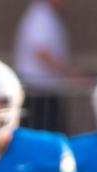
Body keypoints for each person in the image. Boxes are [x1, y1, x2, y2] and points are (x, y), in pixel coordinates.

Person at [12, 0, 81, 131]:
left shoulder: (46, 15)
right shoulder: (41, 16)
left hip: (44, 90)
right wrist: (68, 73)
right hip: (38, 91)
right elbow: (41, 51)